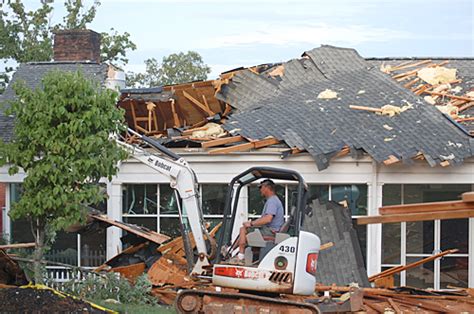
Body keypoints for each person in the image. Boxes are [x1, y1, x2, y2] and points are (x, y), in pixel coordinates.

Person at [233, 179, 284, 263]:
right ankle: (232, 251)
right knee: (244, 229)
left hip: (270, 232)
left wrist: (251, 223)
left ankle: (240, 256)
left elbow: (268, 219)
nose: (260, 190)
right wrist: (252, 224)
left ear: (267, 187)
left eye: (261, 187)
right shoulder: (272, 200)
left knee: (243, 229)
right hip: (269, 230)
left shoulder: (272, 201)